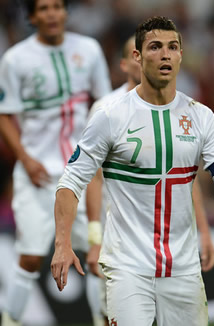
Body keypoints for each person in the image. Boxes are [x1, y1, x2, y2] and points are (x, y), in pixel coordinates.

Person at [50, 16, 214, 326]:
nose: (165, 54)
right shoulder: (111, 116)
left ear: (181, 55)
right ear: (137, 56)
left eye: (172, 47)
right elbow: (71, 181)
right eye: (155, 47)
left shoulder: (201, 117)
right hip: (128, 268)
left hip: (184, 270)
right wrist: (63, 243)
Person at [85, 35, 214, 326]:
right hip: (120, 238)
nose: (159, 57)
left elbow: (183, 176)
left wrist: (204, 231)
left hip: (171, 245)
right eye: (150, 50)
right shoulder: (107, 109)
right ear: (130, 60)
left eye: (167, 49)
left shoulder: (182, 111)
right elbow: (92, 179)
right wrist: (94, 237)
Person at [0, 0, 112, 325]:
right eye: (44, 8)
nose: (52, 14)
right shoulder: (15, 59)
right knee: (31, 257)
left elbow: (105, 105)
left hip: (81, 175)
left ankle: (101, 320)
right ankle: (11, 321)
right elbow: (5, 116)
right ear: (33, 16)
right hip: (37, 173)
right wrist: (24, 157)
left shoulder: (88, 50)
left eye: (58, 6)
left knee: (96, 257)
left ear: (66, 12)